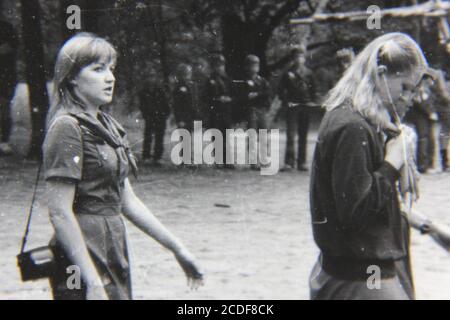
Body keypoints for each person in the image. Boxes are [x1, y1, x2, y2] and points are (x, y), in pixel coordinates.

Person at [43, 33, 203, 300]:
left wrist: (177, 248)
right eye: (98, 69)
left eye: (111, 69)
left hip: (111, 243)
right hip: (82, 250)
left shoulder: (106, 125)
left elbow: (127, 201)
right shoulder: (67, 127)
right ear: (71, 77)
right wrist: (92, 282)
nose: (110, 77)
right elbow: (60, 212)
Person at [309, 33, 450, 300]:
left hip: (360, 272)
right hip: (359, 279)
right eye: (405, 87)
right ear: (381, 74)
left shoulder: (358, 119)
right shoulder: (352, 126)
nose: (410, 98)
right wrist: (391, 164)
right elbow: (355, 213)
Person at [277, 46, 315, 171]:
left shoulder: (309, 73)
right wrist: (286, 101)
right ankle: (289, 162)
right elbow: (280, 90)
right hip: (292, 106)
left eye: (301, 57)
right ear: (293, 58)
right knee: (291, 134)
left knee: (303, 134)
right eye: (296, 57)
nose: (299, 59)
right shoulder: (287, 73)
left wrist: (311, 101)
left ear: (304, 58)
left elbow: (313, 89)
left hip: (305, 106)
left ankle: (302, 162)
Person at [239, 55, 271, 170]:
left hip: (261, 109)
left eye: (256, 65)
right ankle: (253, 161)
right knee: (252, 135)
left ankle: (264, 159)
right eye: (252, 65)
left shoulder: (261, 80)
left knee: (264, 134)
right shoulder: (243, 81)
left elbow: (267, 94)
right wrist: (258, 95)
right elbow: (244, 96)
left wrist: (257, 95)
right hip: (250, 109)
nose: (254, 67)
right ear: (247, 67)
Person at [203, 54, 234, 168]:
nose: (219, 68)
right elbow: (205, 97)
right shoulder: (210, 80)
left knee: (226, 135)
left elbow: (233, 94)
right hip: (215, 111)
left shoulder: (227, 80)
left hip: (226, 111)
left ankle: (227, 160)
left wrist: (229, 99)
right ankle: (218, 159)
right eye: (217, 65)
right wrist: (216, 99)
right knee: (216, 135)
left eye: (221, 65)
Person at [138, 69, 170, 166]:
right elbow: (142, 104)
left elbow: (166, 103)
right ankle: (146, 156)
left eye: (152, 77)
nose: (151, 79)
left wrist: (165, 114)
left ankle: (157, 157)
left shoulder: (160, 90)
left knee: (159, 137)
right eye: (149, 77)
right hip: (149, 117)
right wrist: (145, 114)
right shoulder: (144, 91)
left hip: (160, 116)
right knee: (148, 136)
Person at [404, 77, 436, 173]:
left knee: (428, 139)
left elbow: (429, 101)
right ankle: (422, 166)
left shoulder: (426, 89)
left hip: (426, 117)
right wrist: (430, 113)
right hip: (419, 117)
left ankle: (427, 164)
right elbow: (418, 102)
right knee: (423, 139)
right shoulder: (417, 89)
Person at [0, 13, 17, 155]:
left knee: (4, 109)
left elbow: (10, 48)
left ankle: (4, 142)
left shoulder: (7, 28)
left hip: (5, 77)